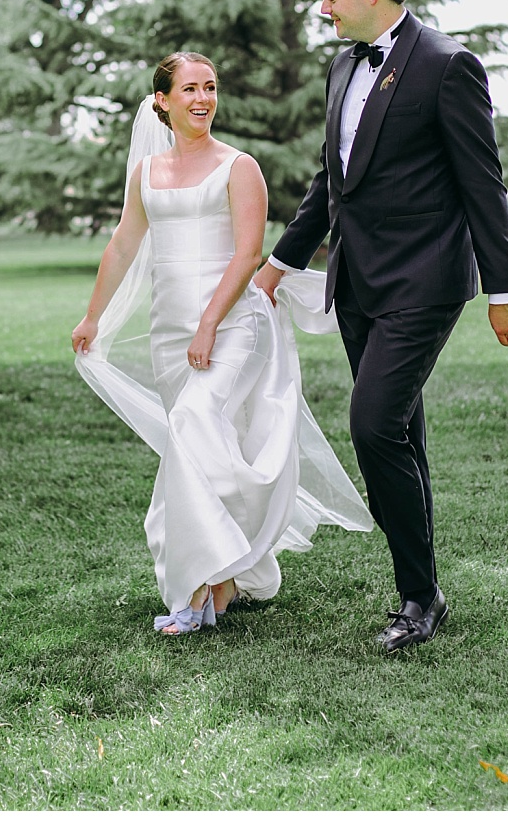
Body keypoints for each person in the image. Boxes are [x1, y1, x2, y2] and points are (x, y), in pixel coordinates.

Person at [253, 0, 508, 655]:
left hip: (425, 282)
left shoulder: (447, 64)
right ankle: (425, 588)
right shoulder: (342, 69)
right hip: (358, 283)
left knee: (373, 424)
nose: (324, 8)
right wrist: (280, 261)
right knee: (402, 432)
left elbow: (483, 183)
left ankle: (419, 594)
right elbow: (331, 181)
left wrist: (505, 287)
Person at [72, 52, 373, 636]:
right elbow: (122, 246)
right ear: (162, 101)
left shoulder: (240, 167)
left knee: (192, 427)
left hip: (236, 326)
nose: (203, 99)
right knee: (206, 447)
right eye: (189, 89)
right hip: (169, 333)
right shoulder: (148, 174)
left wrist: (211, 321)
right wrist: (93, 317)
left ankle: (197, 585)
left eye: (210, 87)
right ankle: (237, 564)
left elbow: (246, 254)